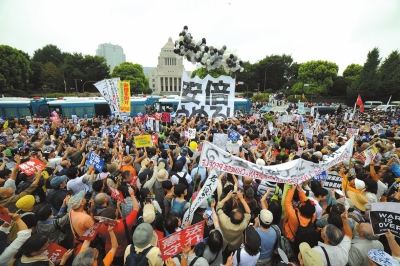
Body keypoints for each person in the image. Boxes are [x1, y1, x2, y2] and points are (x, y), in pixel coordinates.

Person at [97, 188, 139, 266]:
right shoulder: (124, 223)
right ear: (116, 213)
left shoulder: (100, 227)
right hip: (123, 251)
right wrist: (132, 195)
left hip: (109, 252)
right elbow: (136, 208)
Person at [216, 190, 251, 263]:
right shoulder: (243, 225)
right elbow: (248, 212)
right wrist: (241, 199)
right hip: (235, 244)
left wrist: (227, 197)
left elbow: (218, 207)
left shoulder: (223, 220)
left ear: (230, 216)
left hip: (224, 243)